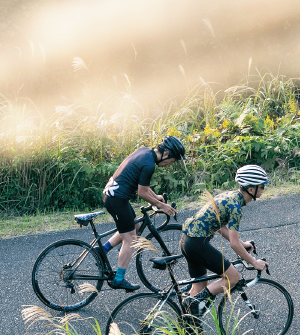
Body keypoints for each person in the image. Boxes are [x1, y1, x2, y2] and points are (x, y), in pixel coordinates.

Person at [179, 165, 269, 317]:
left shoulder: (229, 196)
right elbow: (233, 244)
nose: (263, 190)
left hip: (187, 241)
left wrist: (243, 244)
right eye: (262, 187)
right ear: (251, 189)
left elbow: (221, 228)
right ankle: (192, 303)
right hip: (197, 244)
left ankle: (188, 328)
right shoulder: (236, 208)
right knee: (233, 277)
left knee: (199, 288)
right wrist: (254, 262)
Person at [99, 136, 185, 291]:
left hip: (115, 196)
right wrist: (161, 205)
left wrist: (156, 198)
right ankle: (119, 279)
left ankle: (102, 250)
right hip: (116, 199)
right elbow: (141, 193)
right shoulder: (149, 165)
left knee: (136, 225)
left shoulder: (144, 152)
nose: (169, 164)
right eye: (171, 161)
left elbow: (143, 186)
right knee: (130, 239)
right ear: (166, 153)